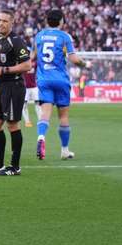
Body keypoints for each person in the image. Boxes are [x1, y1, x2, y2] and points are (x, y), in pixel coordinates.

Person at [0, 9, 32, 177]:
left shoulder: (16, 41)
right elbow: (2, 63)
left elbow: (27, 66)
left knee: (12, 125)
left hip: (14, 86)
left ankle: (15, 166)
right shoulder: (0, 41)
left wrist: (4, 70)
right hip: (2, 86)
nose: (0, 23)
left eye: (4, 21)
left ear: (12, 22)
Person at [32, 9, 87, 161]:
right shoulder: (64, 37)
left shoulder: (39, 36)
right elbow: (74, 59)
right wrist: (85, 64)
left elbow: (31, 57)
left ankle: (41, 136)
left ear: (46, 21)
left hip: (44, 80)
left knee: (45, 114)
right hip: (61, 80)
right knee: (63, 116)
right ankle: (64, 150)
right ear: (61, 21)